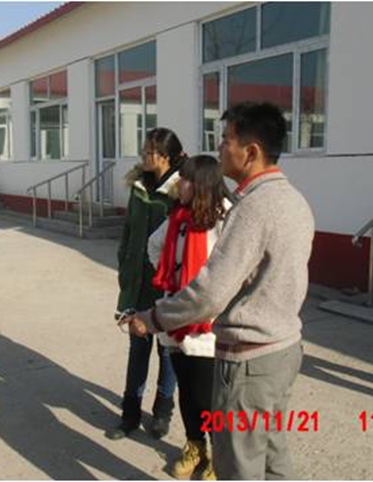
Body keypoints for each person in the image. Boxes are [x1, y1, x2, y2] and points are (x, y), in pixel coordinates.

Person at [122, 102, 315, 480]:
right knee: (272, 456)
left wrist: (153, 317)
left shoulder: (252, 208)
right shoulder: (295, 200)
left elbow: (210, 293)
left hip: (250, 360)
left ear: (251, 152)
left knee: (238, 464)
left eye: (226, 140)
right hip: (284, 348)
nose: (220, 147)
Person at [147, 155, 229, 480]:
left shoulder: (224, 217)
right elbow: (153, 246)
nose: (178, 184)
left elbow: (236, 268)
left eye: (184, 179)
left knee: (207, 395)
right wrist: (172, 278)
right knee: (186, 391)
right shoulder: (178, 216)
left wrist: (209, 295)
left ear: (201, 183)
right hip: (177, 316)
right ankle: (195, 446)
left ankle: (220, 457)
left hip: (208, 325)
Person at [109, 127, 186, 440]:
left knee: (167, 352)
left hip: (165, 284)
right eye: (144, 151)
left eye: (149, 152)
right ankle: (130, 413)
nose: (144, 156)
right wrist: (124, 263)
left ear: (165, 156)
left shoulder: (181, 190)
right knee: (137, 348)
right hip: (137, 284)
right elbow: (128, 230)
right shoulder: (139, 185)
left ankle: (163, 411)